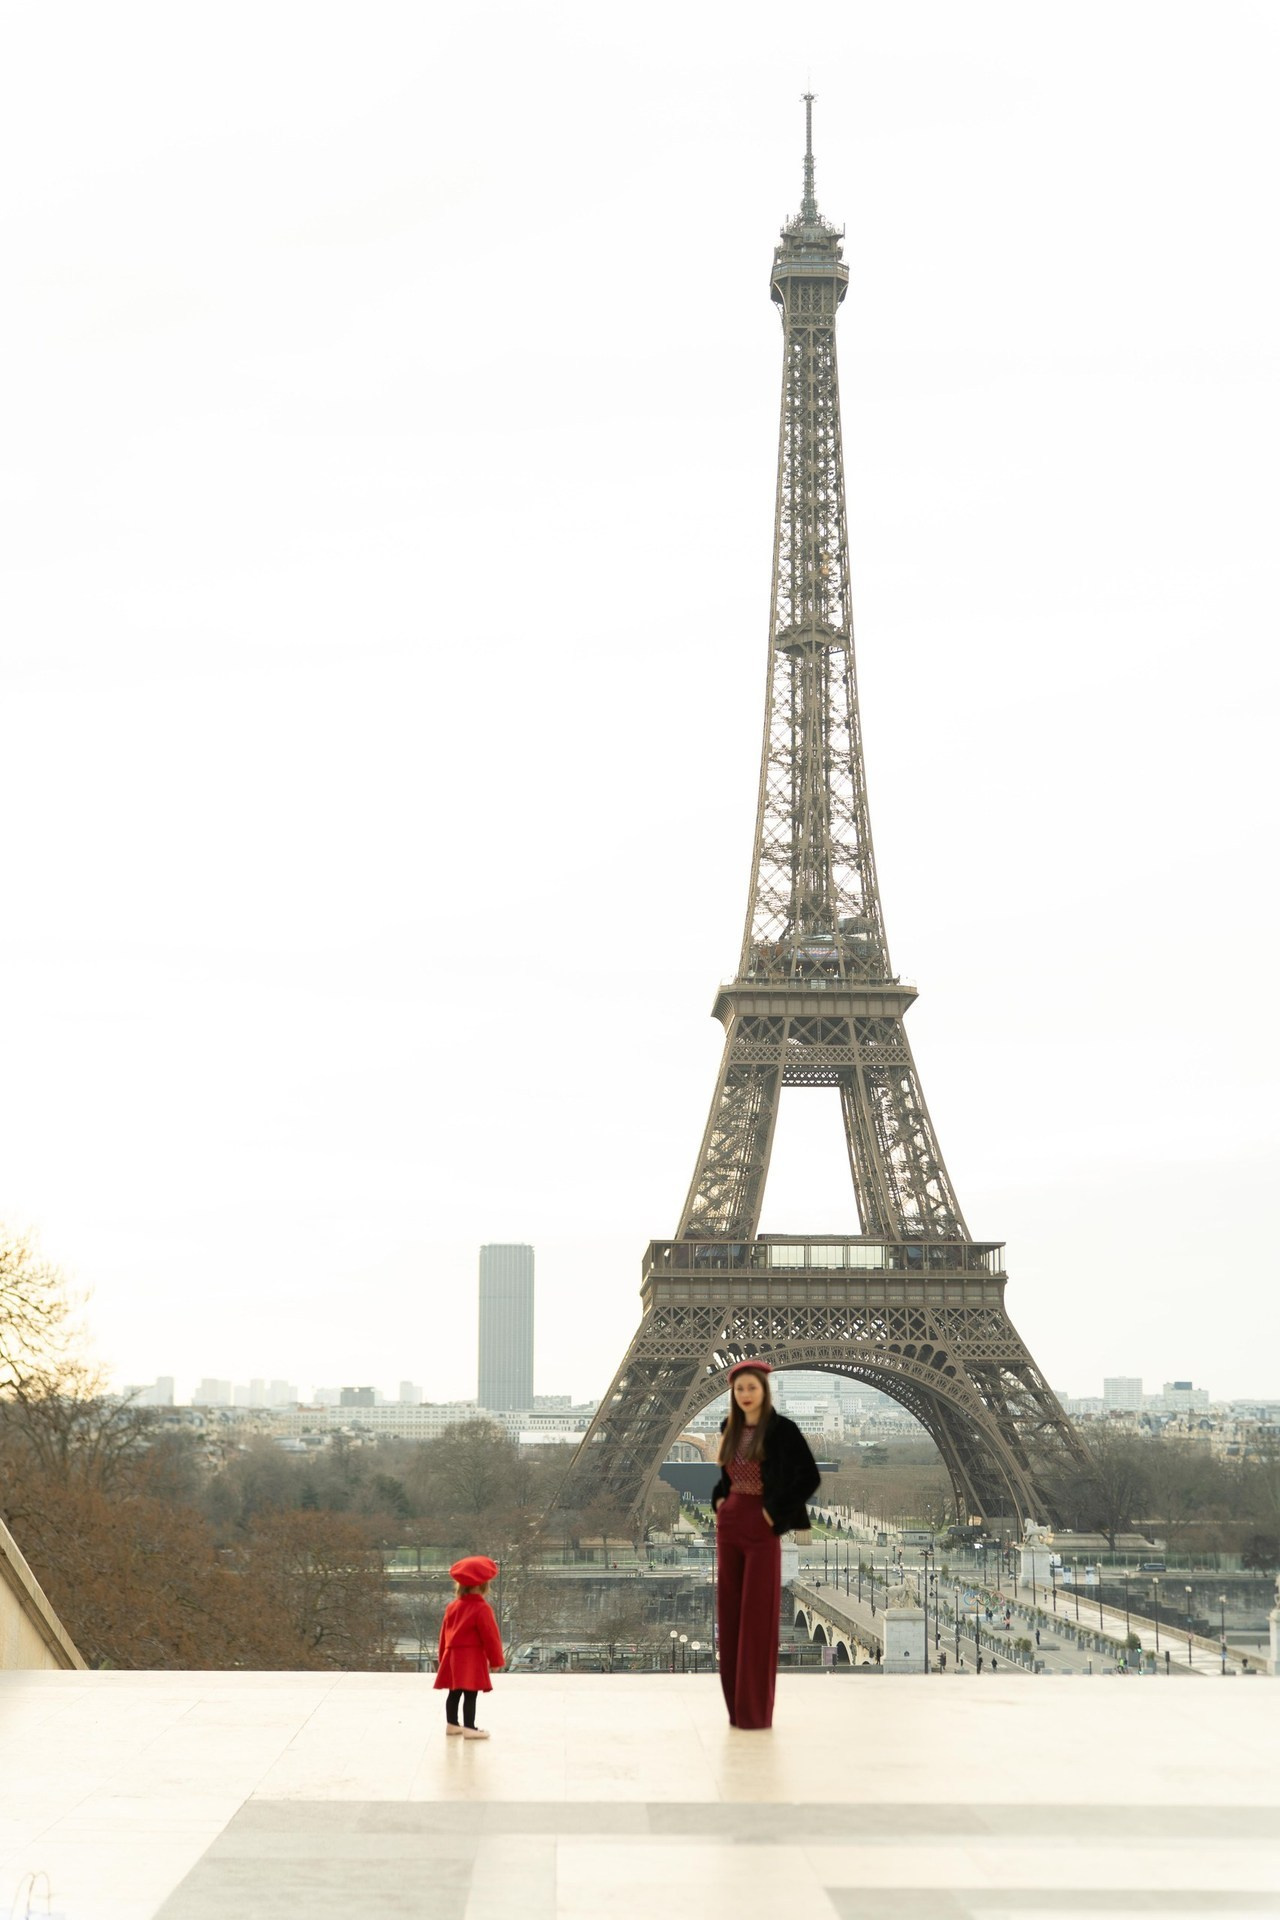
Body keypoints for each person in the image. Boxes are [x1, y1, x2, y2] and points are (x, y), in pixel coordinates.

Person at [710, 1360, 820, 1730]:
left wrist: (773, 1514)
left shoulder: (782, 1430)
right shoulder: (729, 1427)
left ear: (764, 1389)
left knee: (758, 1619)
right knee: (731, 1618)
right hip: (731, 1524)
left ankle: (755, 1714)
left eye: (751, 1388)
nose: (744, 1395)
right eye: (739, 1389)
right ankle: (736, 1711)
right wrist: (720, 1503)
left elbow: (808, 1476)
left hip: (761, 1525)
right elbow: (725, 1477)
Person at [435, 1554, 504, 1740]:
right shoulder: (482, 1609)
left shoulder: (452, 1606)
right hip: (471, 1657)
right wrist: (496, 1660)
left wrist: (443, 1658)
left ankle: (452, 1724)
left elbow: (444, 1635)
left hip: (452, 1656)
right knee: (470, 1693)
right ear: (484, 1585)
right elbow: (491, 1637)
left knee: (454, 1691)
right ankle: (470, 1728)